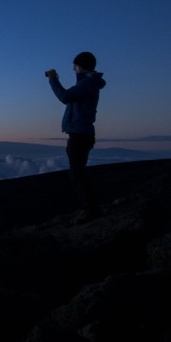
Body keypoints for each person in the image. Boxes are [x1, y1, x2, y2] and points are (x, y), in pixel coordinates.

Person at [45, 52, 106, 221]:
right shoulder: (88, 83)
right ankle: (91, 208)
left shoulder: (87, 84)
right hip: (81, 133)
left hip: (80, 134)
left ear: (82, 66)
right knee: (79, 173)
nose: (73, 68)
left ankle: (91, 210)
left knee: (78, 175)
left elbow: (65, 96)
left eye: (75, 65)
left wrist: (53, 79)